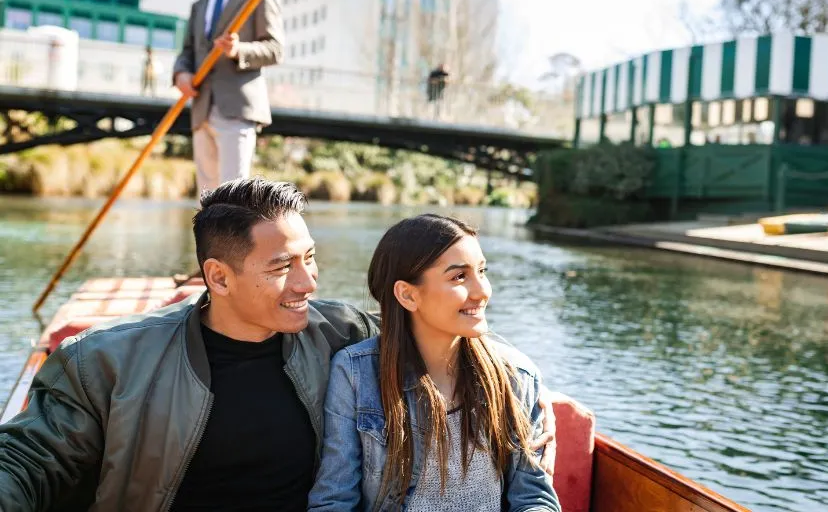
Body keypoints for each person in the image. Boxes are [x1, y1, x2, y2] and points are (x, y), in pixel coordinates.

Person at [0, 177, 555, 511]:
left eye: (309, 258)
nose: (308, 283)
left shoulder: (342, 336)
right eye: (283, 266)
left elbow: (439, 324)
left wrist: (524, 389)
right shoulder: (108, 363)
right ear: (218, 277)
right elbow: (27, 462)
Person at [308, 214, 561, 511]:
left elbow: (535, 499)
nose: (482, 292)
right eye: (459, 277)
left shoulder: (517, 377)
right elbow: (334, 501)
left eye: (482, 271)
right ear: (407, 294)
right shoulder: (355, 373)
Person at [173, 0, 284, 197]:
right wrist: (181, 74)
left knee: (233, 197)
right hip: (201, 107)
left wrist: (239, 51)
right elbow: (187, 51)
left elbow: (275, 49)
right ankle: (207, 244)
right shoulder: (199, 5)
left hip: (237, 107)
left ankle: (233, 243)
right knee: (207, 200)